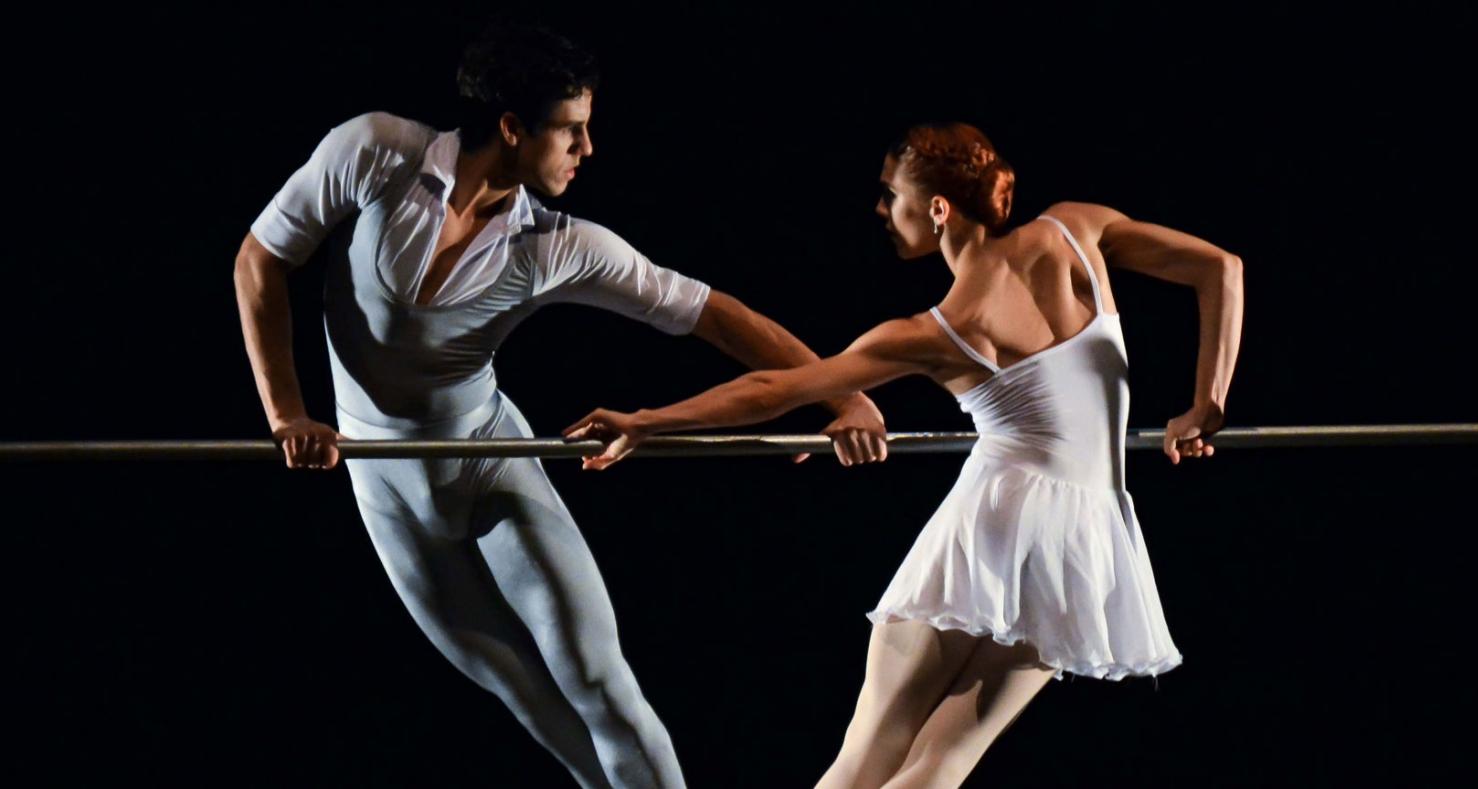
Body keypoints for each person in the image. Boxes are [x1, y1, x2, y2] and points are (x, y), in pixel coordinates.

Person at [232, 22, 886, 789]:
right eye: (572, 130)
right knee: (529, 697)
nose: (588, 149)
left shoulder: (562, 245)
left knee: (599, 682)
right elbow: (260, 259)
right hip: (385, 487)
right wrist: (287, 414)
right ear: (512, 128)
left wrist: (846, 392)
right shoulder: (375, 151)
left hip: (489, 461)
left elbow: (711, 312)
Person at [564, 122, 1244, 787]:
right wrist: (1205, 399)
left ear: (939, 210)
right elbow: (1221, 267)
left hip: (993, 531)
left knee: (863, 761)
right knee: (938, 769)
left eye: (892, 195)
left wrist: (648, 420)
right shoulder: (1076, 229)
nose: (882, 210)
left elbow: (774, 387)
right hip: (1082, 545)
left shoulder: (939, 329)